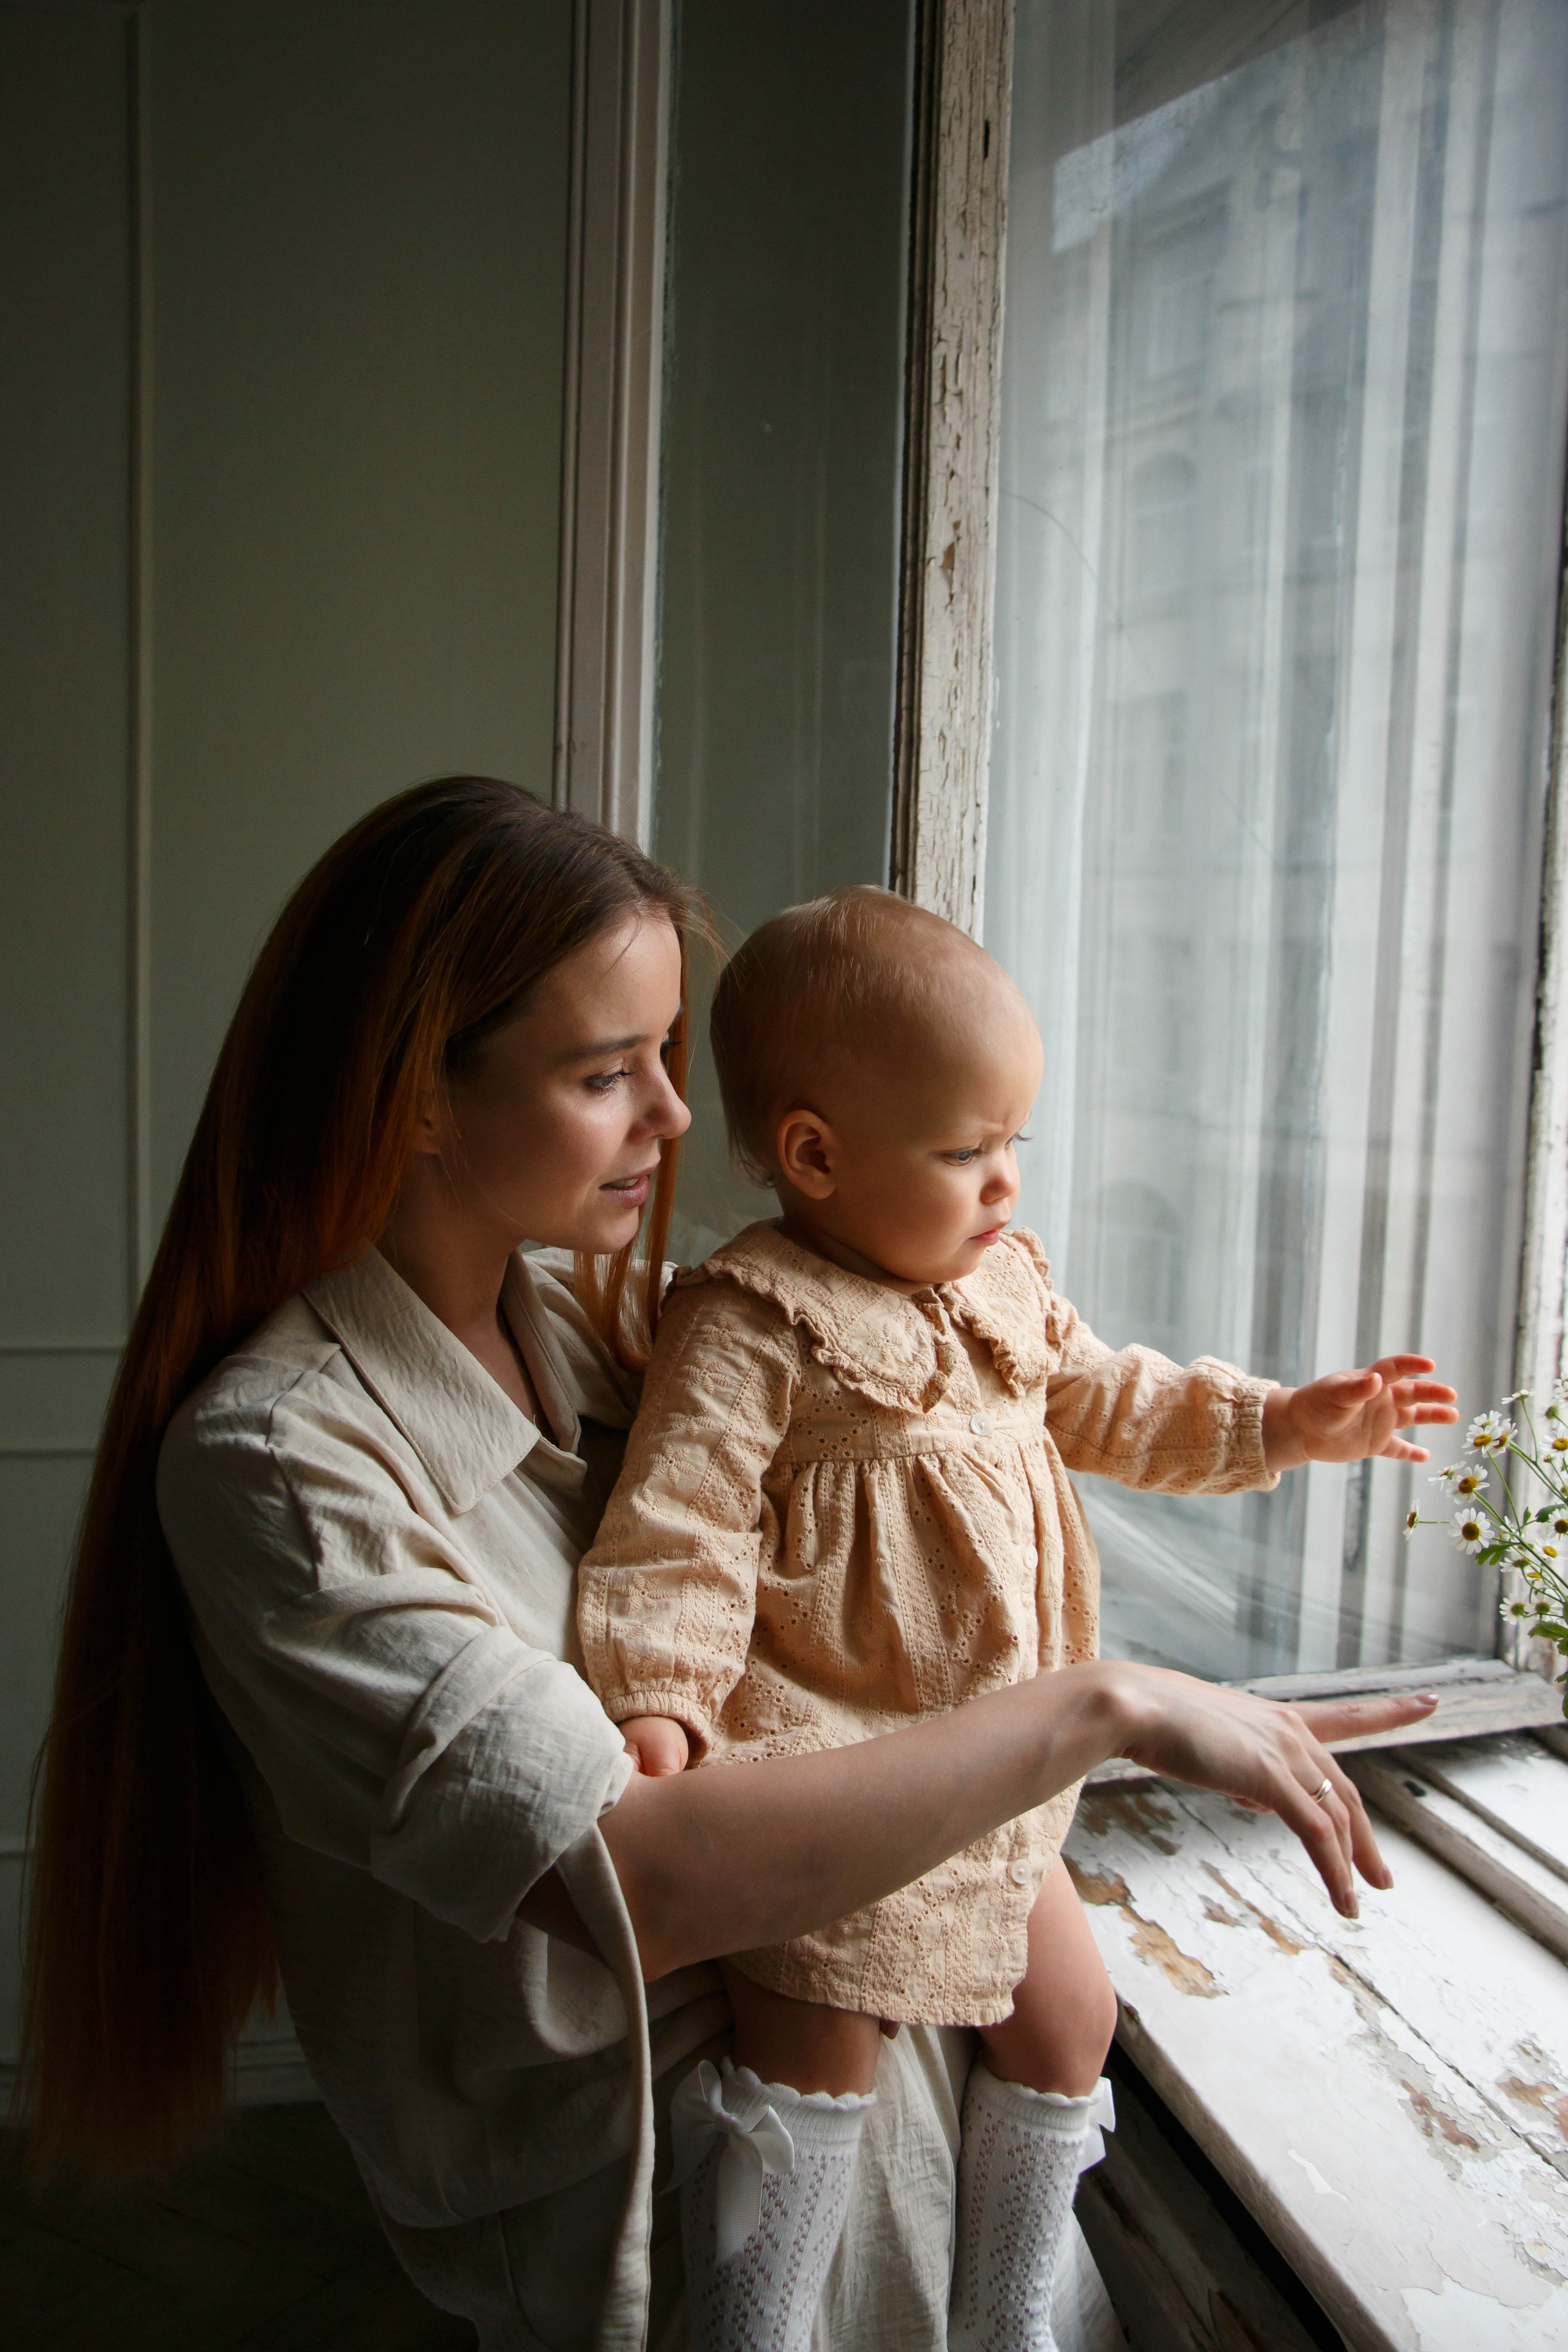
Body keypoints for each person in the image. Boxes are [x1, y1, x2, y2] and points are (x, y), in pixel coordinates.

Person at [21, 780, 1439, 2352]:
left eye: (667, 1055)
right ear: (415, 1093)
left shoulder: (589, 1326)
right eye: (602, 1071)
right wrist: (1101, 1708)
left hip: (926, 2143)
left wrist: (1260, 1445)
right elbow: (636, 1875)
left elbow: (917, 1566)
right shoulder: (281, 1466)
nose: (679, 1118)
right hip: (702, 2238)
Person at [577, 885, 1458, 2351]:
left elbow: (1119, 1399)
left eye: (1011, 1149)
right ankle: (757, 2323)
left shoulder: (1003, 1285)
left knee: (1070, 2023)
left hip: (995, 1770)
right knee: (815, 2073)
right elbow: (678, 1523)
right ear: (813, 1154)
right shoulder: (747, 1319)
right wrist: (658, 1700)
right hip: (824, 1763)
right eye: (965, 1152)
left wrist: (1285, 1423)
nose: (1003, 1189)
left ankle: (1005, 2318)